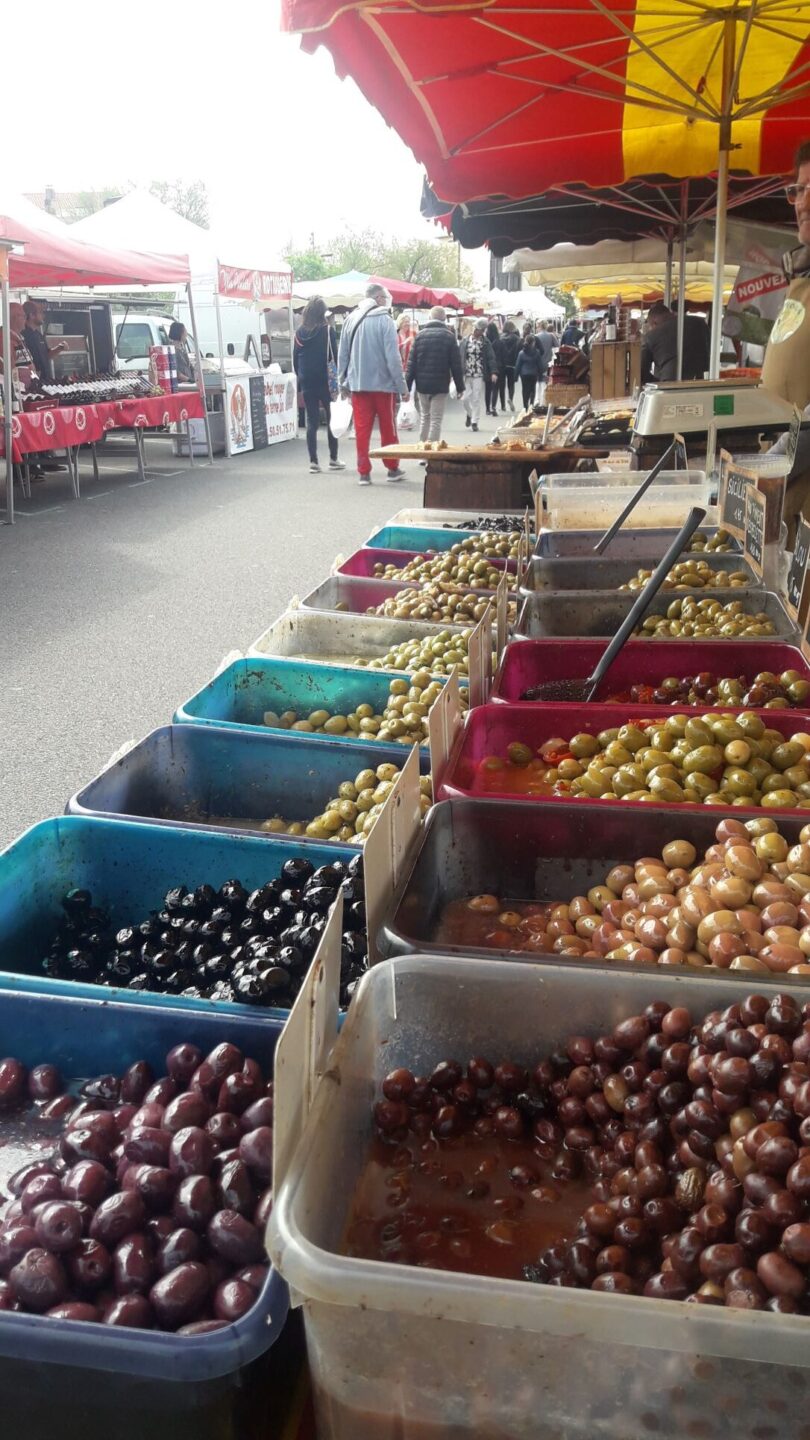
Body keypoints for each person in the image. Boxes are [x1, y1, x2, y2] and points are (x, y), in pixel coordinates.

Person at [761, 140, 810, 540]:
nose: (801, 201)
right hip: (790, 503)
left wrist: (777, 459)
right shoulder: (801, 276)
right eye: (798, 189)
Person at [338, 282, 407, 486]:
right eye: (385, 298)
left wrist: (342, 381)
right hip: (383, 385)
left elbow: (342, 353)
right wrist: (401, 386)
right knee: (388, 428)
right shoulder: (385, 321)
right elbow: (393, 358)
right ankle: (392, 467)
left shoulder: (350, 319)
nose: (386, 301)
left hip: (358, 384)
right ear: (378, 298)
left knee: (362, 429)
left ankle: (364, 472)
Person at [293, 296, 345, 475]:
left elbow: (295, 358)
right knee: (332, 418)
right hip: (325, 380)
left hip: (307, 380)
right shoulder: (327, 330)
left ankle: (313, 462)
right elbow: (334, 356)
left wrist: (300, 376)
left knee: (311, 421)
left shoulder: (299, 332)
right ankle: (333, 458)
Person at [405, 305, 463, 445]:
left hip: (422, 385)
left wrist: (406, 387)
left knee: (425, 417)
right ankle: (430, 452)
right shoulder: (449, 337)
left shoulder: (419, 336)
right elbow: (456, 365)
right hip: (440, 384)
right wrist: (460, 387)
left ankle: (422, 449)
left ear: (429, 318)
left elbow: (411, 364)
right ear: (444, 318)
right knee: (436, 420)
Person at [640, 301, 710, 383]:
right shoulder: (700, 323)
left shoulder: (652, 336)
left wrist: (657, 382)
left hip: (670, 385)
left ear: (654, 322)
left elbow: (641, 371)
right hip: (702, 382)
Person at [460, 317, 497, 432]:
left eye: (480, 330)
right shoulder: (465, 341)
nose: (477, 332)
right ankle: (470, 414)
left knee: (476, 398)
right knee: (465, 398)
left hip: (479, 374)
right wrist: (454, 373)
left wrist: (494, 372)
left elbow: (491, 358)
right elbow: (459, 357)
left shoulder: (485, 342)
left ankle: (475, 421)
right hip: (466, 374)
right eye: (476, 329)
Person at [515, 334, 543, 410]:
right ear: (533, 343)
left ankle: (525, 405)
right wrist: (541, 375)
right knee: (532, 389)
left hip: (524, 374)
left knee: (525, 389)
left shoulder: (521, 353)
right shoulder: (537, 352)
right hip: (534, 373)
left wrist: (516, 376)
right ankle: (531, 404)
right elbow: (540, 365)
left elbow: (518, 365)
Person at [484, 321, 504, 415]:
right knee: (495, 387)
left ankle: (487, 408)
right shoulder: (499, 341)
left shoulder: (485, 341)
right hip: (498, 366)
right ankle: (493, 407)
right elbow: (504, 355)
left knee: (488, 388)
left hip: (487, 367)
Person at [500, 321, 519, 414]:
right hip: (512, 364)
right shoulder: (516, 338)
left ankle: (503, 405)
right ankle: (510, 398)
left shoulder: (501, 337)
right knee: (511, 384)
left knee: (502, 385)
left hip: (503, 364)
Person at [168, 320, 195, 385]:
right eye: (185, 330)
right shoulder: (172, 350)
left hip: (188, 383)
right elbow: (175, 371)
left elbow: (188, 365)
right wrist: (189, 379)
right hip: (181, 385)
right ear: (180, 333)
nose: (186, 333)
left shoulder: (182, 347)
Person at [535, 321, 556, 396]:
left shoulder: (536, 336)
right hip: (548, 361)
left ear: (539, 326)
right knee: (547, 380)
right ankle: (546, 398)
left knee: (538, 381)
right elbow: (557, 345)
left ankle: (538, 399)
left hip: (538, 361)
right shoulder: (551, 335)